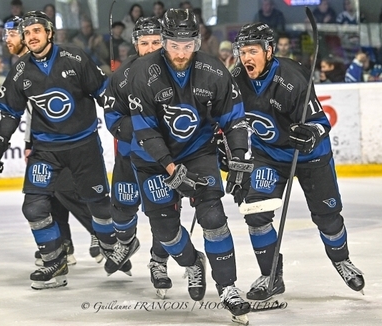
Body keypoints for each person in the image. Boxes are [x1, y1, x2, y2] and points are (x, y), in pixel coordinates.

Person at [126, 8, 251, 323]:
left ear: (196, 41)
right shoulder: (143, 72)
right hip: (153, 162)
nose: (181, 53)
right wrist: (171, 170)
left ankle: (228, 288)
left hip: (198, 153)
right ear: (165, 42)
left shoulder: (213, 70)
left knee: (213, 216)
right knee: (166, 232)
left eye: (187, 45)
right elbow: (145, 130)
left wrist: (238, 157)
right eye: (174, 45)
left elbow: (234, 119)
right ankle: (193, 262)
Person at [229, 22, 365, 301]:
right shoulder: (236, 78)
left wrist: (310, 134)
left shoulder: (293, 78)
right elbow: (228, 120)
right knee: (255, 212)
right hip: (269, 156)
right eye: (242, 51)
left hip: (311, 156)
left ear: (269, 51)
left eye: (252, 51)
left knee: (328, 218)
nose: (246, 58)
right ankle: (270, 275)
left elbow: (320, 123)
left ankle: (341, 260)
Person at [0, 11, 114, 290]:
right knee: (34, 205)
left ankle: (111, 243)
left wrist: (123, 124)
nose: (31, 37)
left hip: (83, 145)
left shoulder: (74, 57)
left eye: (37, 31)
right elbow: (10, 113)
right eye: (27, 33)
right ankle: (55, 261)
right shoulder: (20, 71)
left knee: (98, 204)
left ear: (49, 33)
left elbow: (103, 92)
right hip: (45, 150)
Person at [102, 16, 174, 297]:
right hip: (130, 154)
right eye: (144, 43)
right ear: (135, 45)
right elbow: (111, 115)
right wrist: (141, 130)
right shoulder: (122, 76)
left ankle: (159, 261)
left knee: (162, 214)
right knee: (122, 204)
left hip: (163, 160)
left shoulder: (179, 73)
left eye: (156, 42)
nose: (151, 47)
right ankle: (126, 241)